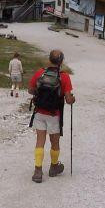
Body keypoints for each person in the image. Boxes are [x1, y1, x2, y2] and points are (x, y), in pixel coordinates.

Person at [28, 49, 75, 183]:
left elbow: (30, 90)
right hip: (54, 114)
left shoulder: (40, 73)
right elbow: (68, 99)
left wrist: (40, 92)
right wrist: (72, 99)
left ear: (49, 59)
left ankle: (38, 171)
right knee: (54, 142)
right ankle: (53, 167)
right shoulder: (64, 76)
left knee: (40, 141)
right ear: (61, 61)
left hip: (39, 113)